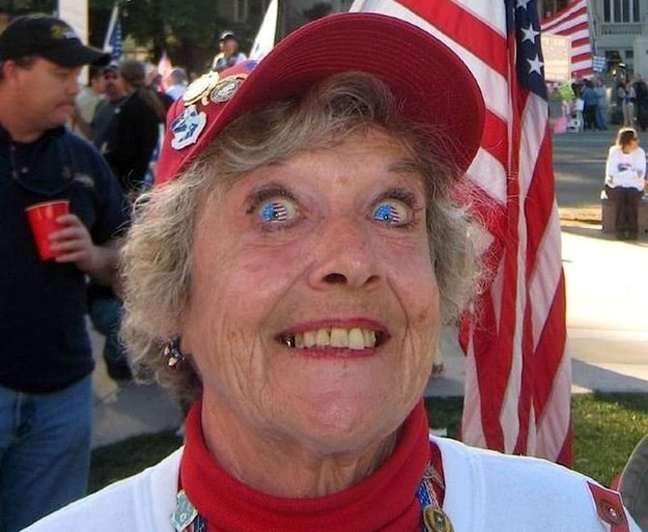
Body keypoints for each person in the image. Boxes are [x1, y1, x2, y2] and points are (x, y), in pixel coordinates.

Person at [23, 12, 641, 532]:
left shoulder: (567, 519)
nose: (351, 259)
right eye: (275, 210)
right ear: (175, 289)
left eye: (391, 210)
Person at [0, 13, 129, 532]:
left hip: (62, 398)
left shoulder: (82, 160)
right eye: (61, 73)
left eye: (77, 74)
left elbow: (131, 257)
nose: (75, 86)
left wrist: (95, 257)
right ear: (11, 72)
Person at [102, 58, 166, 198]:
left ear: (124, 79)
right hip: (156, 175)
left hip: (136, 180)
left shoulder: (131, 108)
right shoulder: (157, 101)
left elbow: (125, 150)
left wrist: (105, 157)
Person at [604, 127, 647, 240]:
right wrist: (631, 173)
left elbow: (641, 174)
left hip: (635, 186)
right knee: (620, 195)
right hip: (615, 186)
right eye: (635, 139)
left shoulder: (640, 153)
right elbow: (611, 174)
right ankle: (620, 230)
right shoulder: (614, 152)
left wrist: (623, 175)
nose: (637, 141)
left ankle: (633, 230)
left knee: (631, 195)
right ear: (627, 141)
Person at [72, 64, 105, 141]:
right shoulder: (91, 101)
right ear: (94, 81)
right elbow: (89, 132)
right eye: (104, 79)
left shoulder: (83, 94)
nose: (107, 82)